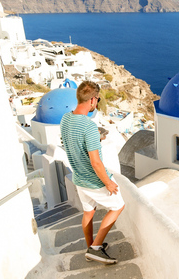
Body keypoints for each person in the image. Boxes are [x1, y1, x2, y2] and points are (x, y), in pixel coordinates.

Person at [60, 81, 125, 265]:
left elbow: (72, 141)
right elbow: (96, 163)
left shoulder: (65, 118)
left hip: (78, 177)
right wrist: (108, 183)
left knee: (88, 212)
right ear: (93, 100)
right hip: (93, 180)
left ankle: (91, 248)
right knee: (118, 206)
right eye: (97, 99)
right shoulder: (88, 127)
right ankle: (95, 248)